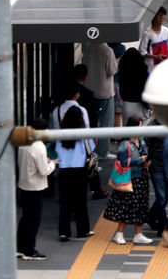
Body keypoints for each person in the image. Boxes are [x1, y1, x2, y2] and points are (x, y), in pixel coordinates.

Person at [104, 117, 153, 245]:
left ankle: (138, 233)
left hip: (142, 177)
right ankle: (119, 234)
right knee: (125, 206)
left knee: (141, 205)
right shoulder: (125, 144)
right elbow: (123, 161)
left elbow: (145, 155)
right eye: (139, 126)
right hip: (129, 179)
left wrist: (147, 162)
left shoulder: (141, 140)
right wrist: (140, 160)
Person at [17, 117, 57, 261]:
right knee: (33, 220)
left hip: (23, 185)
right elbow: (43, 171)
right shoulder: (39, 146)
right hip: (35, 187)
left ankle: (20, 248)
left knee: (25, 218)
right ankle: (29, 251)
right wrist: (52, 164)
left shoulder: (24, 142)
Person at [55, 104, 94, 242]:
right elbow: (91, 149)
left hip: (64, 170)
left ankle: (64, 232)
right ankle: (82, 230)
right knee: (80, 202)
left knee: (65, 202)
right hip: (80, 170)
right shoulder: (84, 135)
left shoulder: (59, 134)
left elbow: (56, 150)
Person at [73, 64, 109, 200]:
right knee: (91, 160)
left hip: (65, 134)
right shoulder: (88, 94)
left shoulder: (63, 93)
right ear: (86, 76)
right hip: (85, 134)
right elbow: (93, 117)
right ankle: (96, 189)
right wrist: (94, 135)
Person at [83, 41, 118, 159]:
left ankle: (89, 150)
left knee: (90, 122)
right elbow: (112, 71)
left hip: (90, 89)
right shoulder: (108, 51)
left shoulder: (89, 47)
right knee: (105, 123)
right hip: (104, 92)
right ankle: (103, 151)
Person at [145, 120, 168, 235]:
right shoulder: (152, 127)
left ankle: (150, 216)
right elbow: (146, 148)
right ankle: (162, 225)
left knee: (166, 196)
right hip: (156, 166)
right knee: (161, 196)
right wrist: (146, 162)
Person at [118, 47, 150, 123]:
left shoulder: (123, 73)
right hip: (142, 105)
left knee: (127, 129)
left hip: (127, 105)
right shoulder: (144, 72)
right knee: (144, 129)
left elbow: (121, 90)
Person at [139, 7, 168, 73]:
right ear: (153, 17)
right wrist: (156, 57)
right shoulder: (147, 34)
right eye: (159, 15)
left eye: (163, 15)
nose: (162, 17)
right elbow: (142, 53)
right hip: (150, 69)